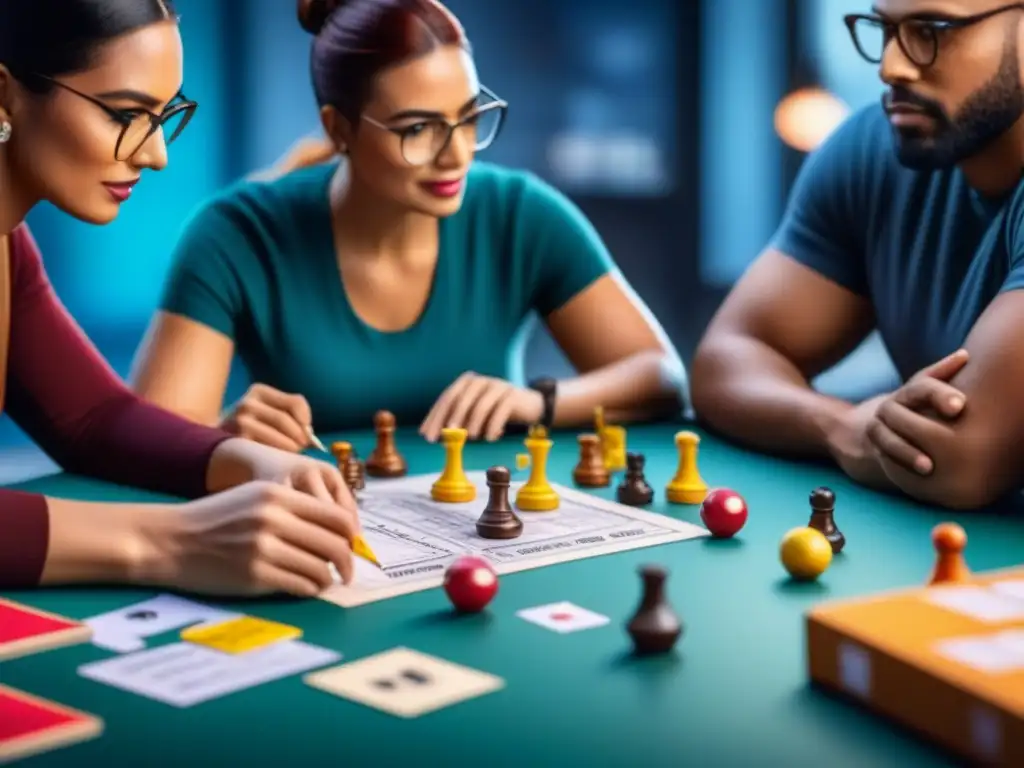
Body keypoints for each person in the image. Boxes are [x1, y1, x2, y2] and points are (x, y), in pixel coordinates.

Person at [128, 0, 687, 452]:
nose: (457, 156)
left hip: (475, 527)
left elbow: (660, 377)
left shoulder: (520, 214)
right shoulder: (237, 234)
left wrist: (537, 403)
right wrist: (222, 438)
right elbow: (143, 442)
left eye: (469, 118)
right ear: (338, 128)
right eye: (418, 129)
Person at [0, 0, 362, 595]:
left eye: (165, 117)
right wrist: (171, 540)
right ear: (6, 93)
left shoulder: (11, 245)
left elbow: (92, 418)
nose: (156, 154)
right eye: (125, 115)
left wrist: (246, 461)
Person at [691, 0, 1024, 511]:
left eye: (931, 29)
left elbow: (958, 460)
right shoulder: (874, 147)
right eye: (883, 28)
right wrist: (842, 425)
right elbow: (725, 361)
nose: (890, 65)